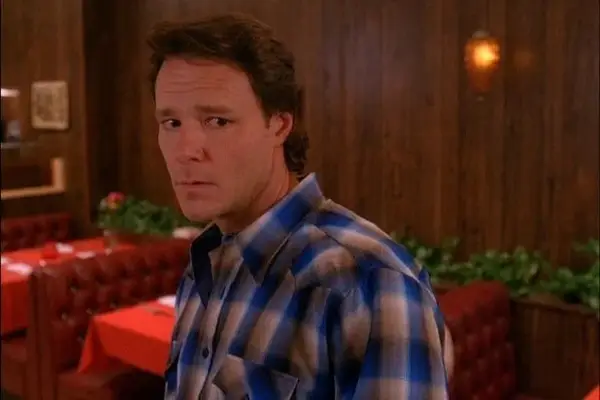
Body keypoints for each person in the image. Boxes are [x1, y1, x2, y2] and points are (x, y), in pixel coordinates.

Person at [149, 14, 452, 400]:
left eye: (218, 121)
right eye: (172, 123)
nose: (186, 151)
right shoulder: (206, 262)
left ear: (278, 125)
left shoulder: (368, 281)